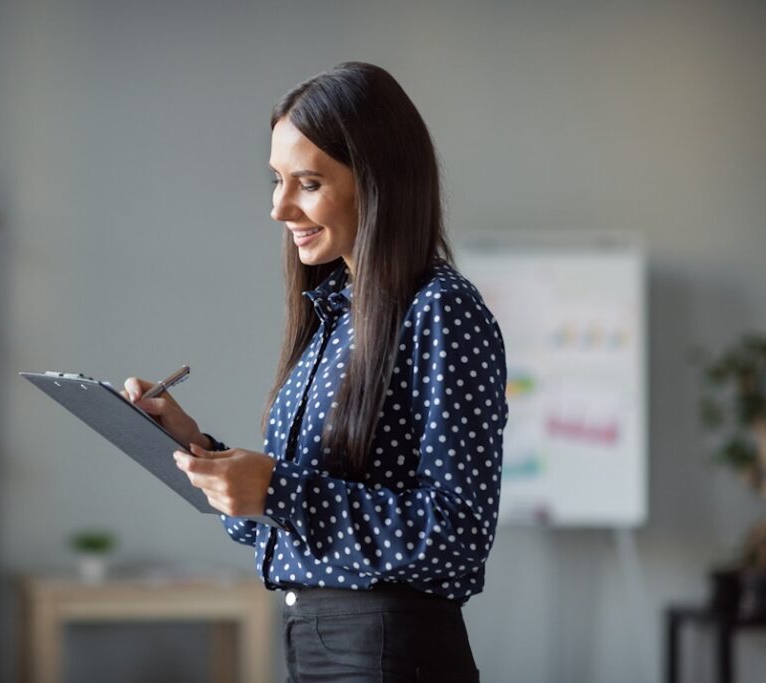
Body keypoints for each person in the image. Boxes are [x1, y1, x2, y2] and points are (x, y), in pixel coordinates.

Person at [123, 61, 508, 683]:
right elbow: (289, 525)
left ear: (377, 183)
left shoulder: (441, 310)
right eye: (276, 179)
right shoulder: (332, 315)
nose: (279, 208)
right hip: (318, 646)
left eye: (306, 182)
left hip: (387, 654)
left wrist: (276, 489)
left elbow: (456, 535)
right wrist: (196, 447)